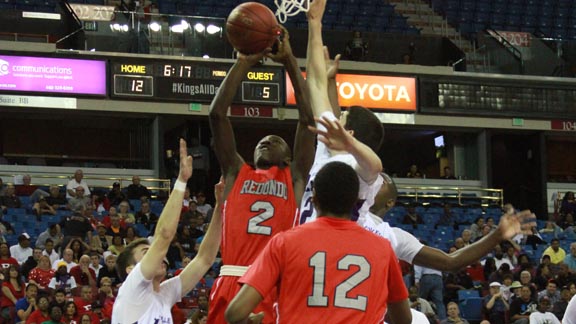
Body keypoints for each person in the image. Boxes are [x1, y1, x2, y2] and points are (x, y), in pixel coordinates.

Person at [207, 25, 315, 324]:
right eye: (261, 141)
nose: (267, 141)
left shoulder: (294, 177)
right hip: (231, 279)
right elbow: (217, 115)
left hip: (271, 283)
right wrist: (243, 62)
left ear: (289, 157)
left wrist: (290, 61)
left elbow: (308, 120)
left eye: (276, 140)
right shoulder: (235, 172)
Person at [225, 161, 411, 324]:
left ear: (313, 199)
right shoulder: (381, 248)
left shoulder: (284, 242)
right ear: (356, 202)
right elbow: (404, 319)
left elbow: (235, 313)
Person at [111, 139, 223, 324]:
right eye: (147, 252)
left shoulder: (164, 294)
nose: (158, 254)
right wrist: (181, 181)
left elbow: (205, 259)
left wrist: (219, 208)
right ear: (131, 270)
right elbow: (163, 236)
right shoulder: (132, 288)